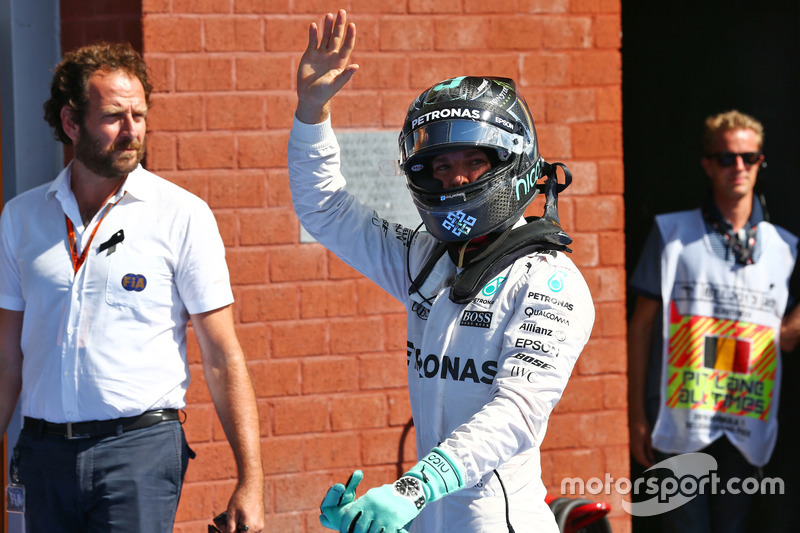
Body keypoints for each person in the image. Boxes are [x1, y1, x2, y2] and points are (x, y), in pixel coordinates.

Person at [288, 10, 594, 533]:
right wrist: (311, 112)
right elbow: (325, 209)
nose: (454, 179)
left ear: (509, 161)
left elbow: (517, 413)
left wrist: (413, 488)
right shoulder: (425, 256)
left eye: (472, 162)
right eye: (439, 166)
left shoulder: (547, 280)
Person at [0, 42, 265, 532]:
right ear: (71, 122)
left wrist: (251, 478)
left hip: (137, 453)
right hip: (42, 457)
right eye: (114, 116)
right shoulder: (21, 217)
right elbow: (7, 358)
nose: (132, 131)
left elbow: (222, 355)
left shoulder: (182, 215)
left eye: (139, 115)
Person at [627, 110, 798, 533]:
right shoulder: (671, 233)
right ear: (708, 164)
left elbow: (784, 341)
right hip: (679, 416)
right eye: (726, 158)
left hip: (745, 420)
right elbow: (641, 327)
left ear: (760, 163)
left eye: (749, 157)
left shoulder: (785, 249)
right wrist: (633, 414)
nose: (738, 167)